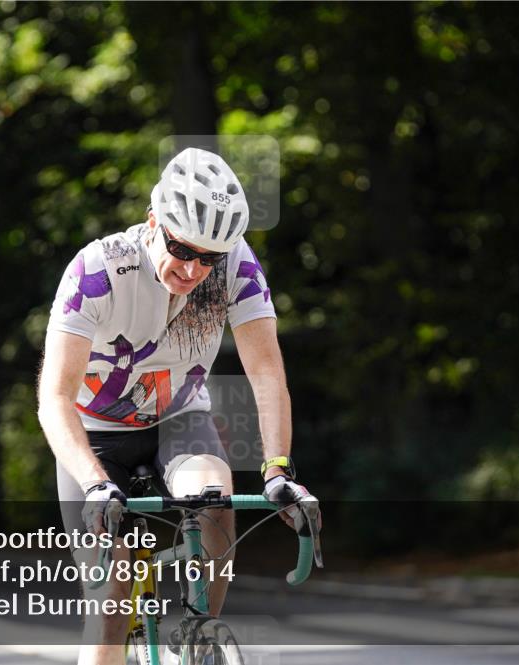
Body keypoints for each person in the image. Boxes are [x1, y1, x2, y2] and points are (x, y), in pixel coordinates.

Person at [38, 147, 318, 665]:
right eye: (181, 248)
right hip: (94, 433)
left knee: (215, 499)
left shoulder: (236, 266)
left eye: (207, 258)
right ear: (153, 222)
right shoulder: (97, 271)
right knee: (109, 610)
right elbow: (54, 398)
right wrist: (97, 484)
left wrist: (278, 468)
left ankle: (199, 638)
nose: (192, 269)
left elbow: (266, 372)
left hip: (179, 419)